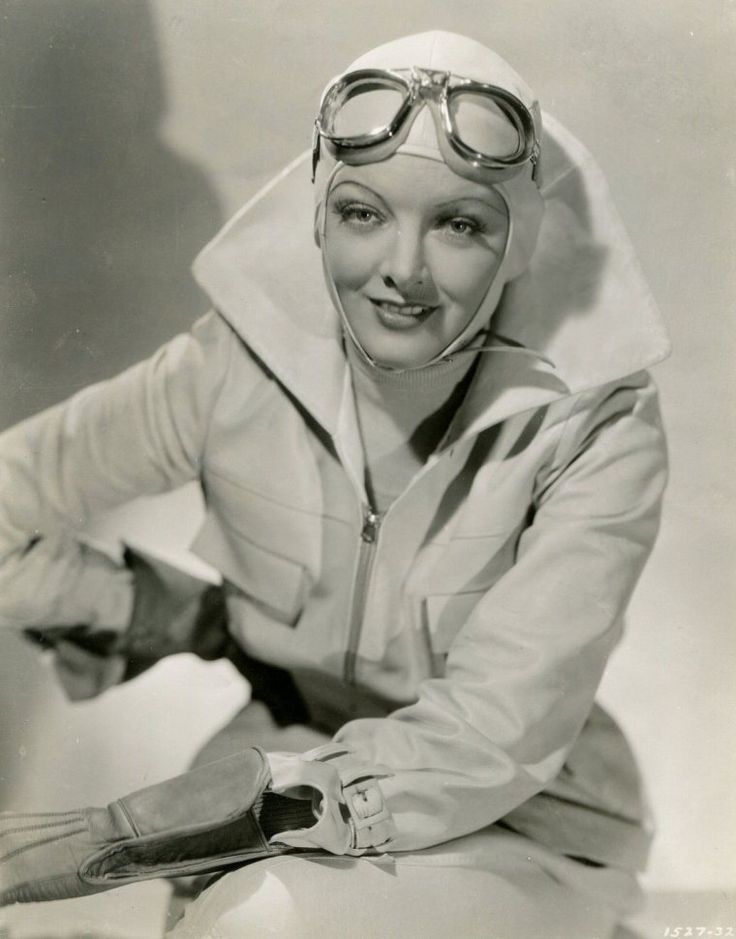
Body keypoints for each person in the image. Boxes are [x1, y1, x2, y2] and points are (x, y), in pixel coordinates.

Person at [0, 30, 670, 939]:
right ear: (316, 216)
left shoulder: (597, 425)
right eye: (364, 214)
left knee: (260, 924)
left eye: (460, 223)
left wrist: (171, 822)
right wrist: (172, 617)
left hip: (523, 826)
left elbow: (494, 733)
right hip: (275, 790)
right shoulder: (227, 370)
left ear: (521, 244)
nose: (404, 267)